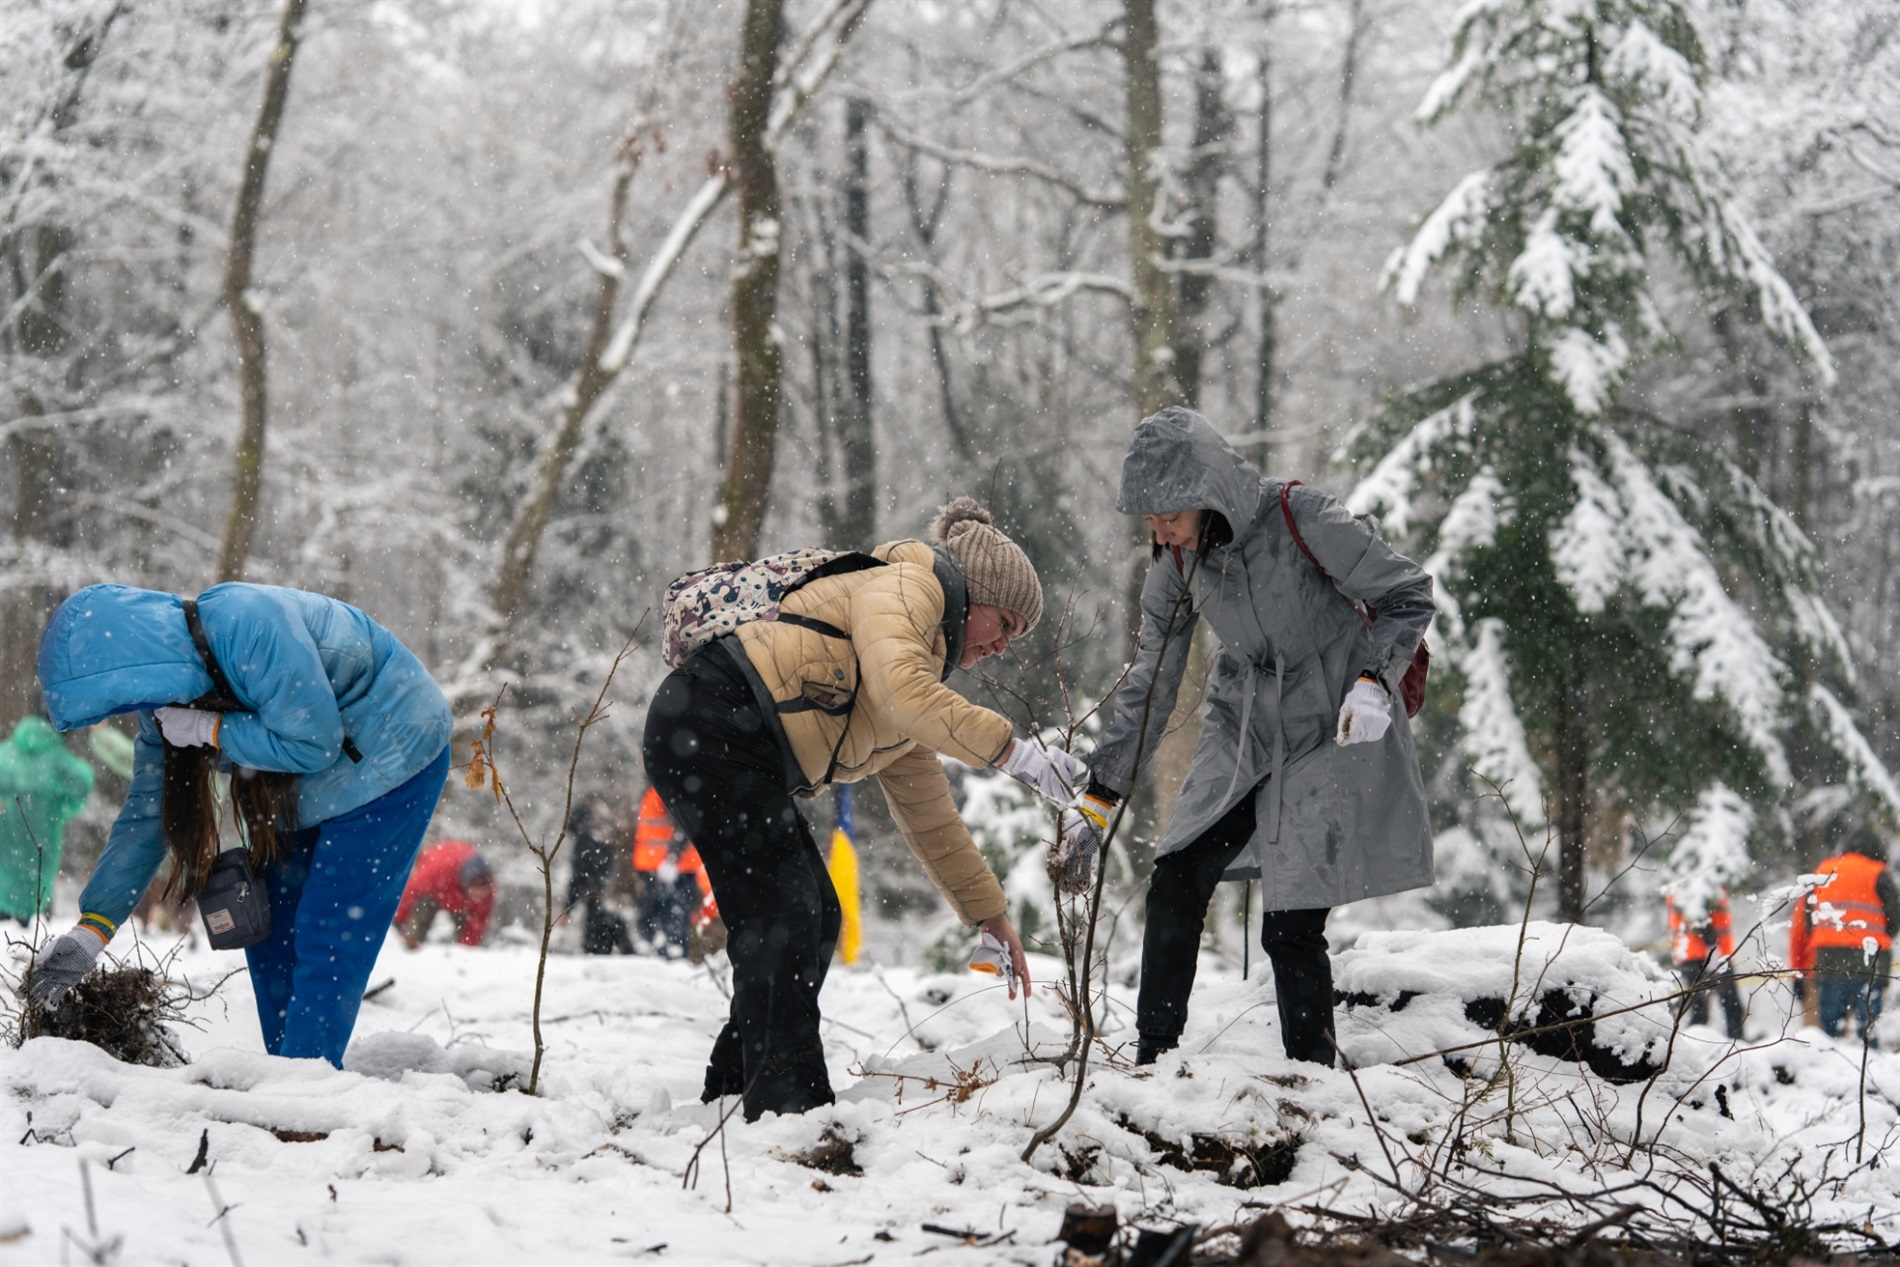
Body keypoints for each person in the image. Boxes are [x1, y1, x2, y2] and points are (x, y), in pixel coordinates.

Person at [642, 496, 1079, 1120]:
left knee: (815, 915)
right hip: (711, 722)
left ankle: (737, 1088)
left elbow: (930, 815)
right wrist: (1016, 754)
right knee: (787, 911)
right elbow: (906, 695)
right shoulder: (906, 586)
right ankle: (787, 1108)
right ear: (974, 595)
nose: (1004, 646)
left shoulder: (914, 672)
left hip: (732, 744)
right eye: (1005, 623)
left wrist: (989, 915)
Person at [1065, 407, 1435, 1067]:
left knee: (1290, 922)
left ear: (1207, 494)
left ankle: (1313, 1078)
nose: (1159, 531)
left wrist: (1376, 681)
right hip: (1244, 722)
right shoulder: (1177, 565)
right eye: (1148, 519)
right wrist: (1099, 795)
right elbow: (1151, 681)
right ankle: (1154, 1056)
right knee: (1176, 873)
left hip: (1334, 719)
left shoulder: (1303, 518)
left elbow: (1407, 592)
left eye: (1168, 514)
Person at [25, 583, 451, 1067]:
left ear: (139, 659)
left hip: (392, 756)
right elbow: (147, 815)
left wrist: (211, 730)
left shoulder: (250, 625)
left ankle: (303, 1089)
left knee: (329, 930)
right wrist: (93, 929)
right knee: (268, 929)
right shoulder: (166, 700)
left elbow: (313, 742)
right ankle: (287, 1073)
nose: (134, 710)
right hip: (306, 786)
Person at [1788, 828, 1899, 1046]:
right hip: (1870, 960)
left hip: (1829, 959)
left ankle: (1831, 1066)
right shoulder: (1878, 873)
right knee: (1866, 1027)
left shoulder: (1824, 870)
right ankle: (1868, 1071)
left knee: (1830, 1026)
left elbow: (1807, 921)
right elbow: (1895, 918)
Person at [0, 717, 95, 924]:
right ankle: (27, 933)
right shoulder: (56, 756)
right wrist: (61, 802)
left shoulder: (6, 753)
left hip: (5, 837)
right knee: (34, 891)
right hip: (42, 837)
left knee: (4, 887)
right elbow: (82, 781)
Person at [631, 784, 711, 957]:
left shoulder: (667, 785)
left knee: (673, 924)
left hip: (674, 869)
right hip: (656, 868)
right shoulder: (654, 788)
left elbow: (684, 823)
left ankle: (673, 960)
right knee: (655, 922)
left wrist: (671, 859)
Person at [1666, 890, 1745, 1038]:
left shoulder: (1712, 875)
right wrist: (1708, 936)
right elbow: (1694, 909)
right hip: (1706, 953)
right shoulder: (1701, 875)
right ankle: (1735, 1047)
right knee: (1726, 1007)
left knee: (1702, 1009)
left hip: (1704, 952)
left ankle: (1693, 1044)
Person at [565, 796, 635, 955]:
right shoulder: (603, 838)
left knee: (596, 942)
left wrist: (567, 908)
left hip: (597, 900)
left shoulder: (583, 842)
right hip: (611, 896)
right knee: (615, 930)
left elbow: (578, 878)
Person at [396, 840, 496, 948]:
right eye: (475, 891)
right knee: (422, 911)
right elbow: (410, 891)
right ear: (466, 883)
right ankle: (412, 944)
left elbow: (478, 922)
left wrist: (466, 948)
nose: (479, 896)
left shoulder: (488, 891)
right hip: (435, 890)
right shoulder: (436, 873)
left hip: (458, 900)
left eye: (482, 892)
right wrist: (400, 921)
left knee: (468, 928)